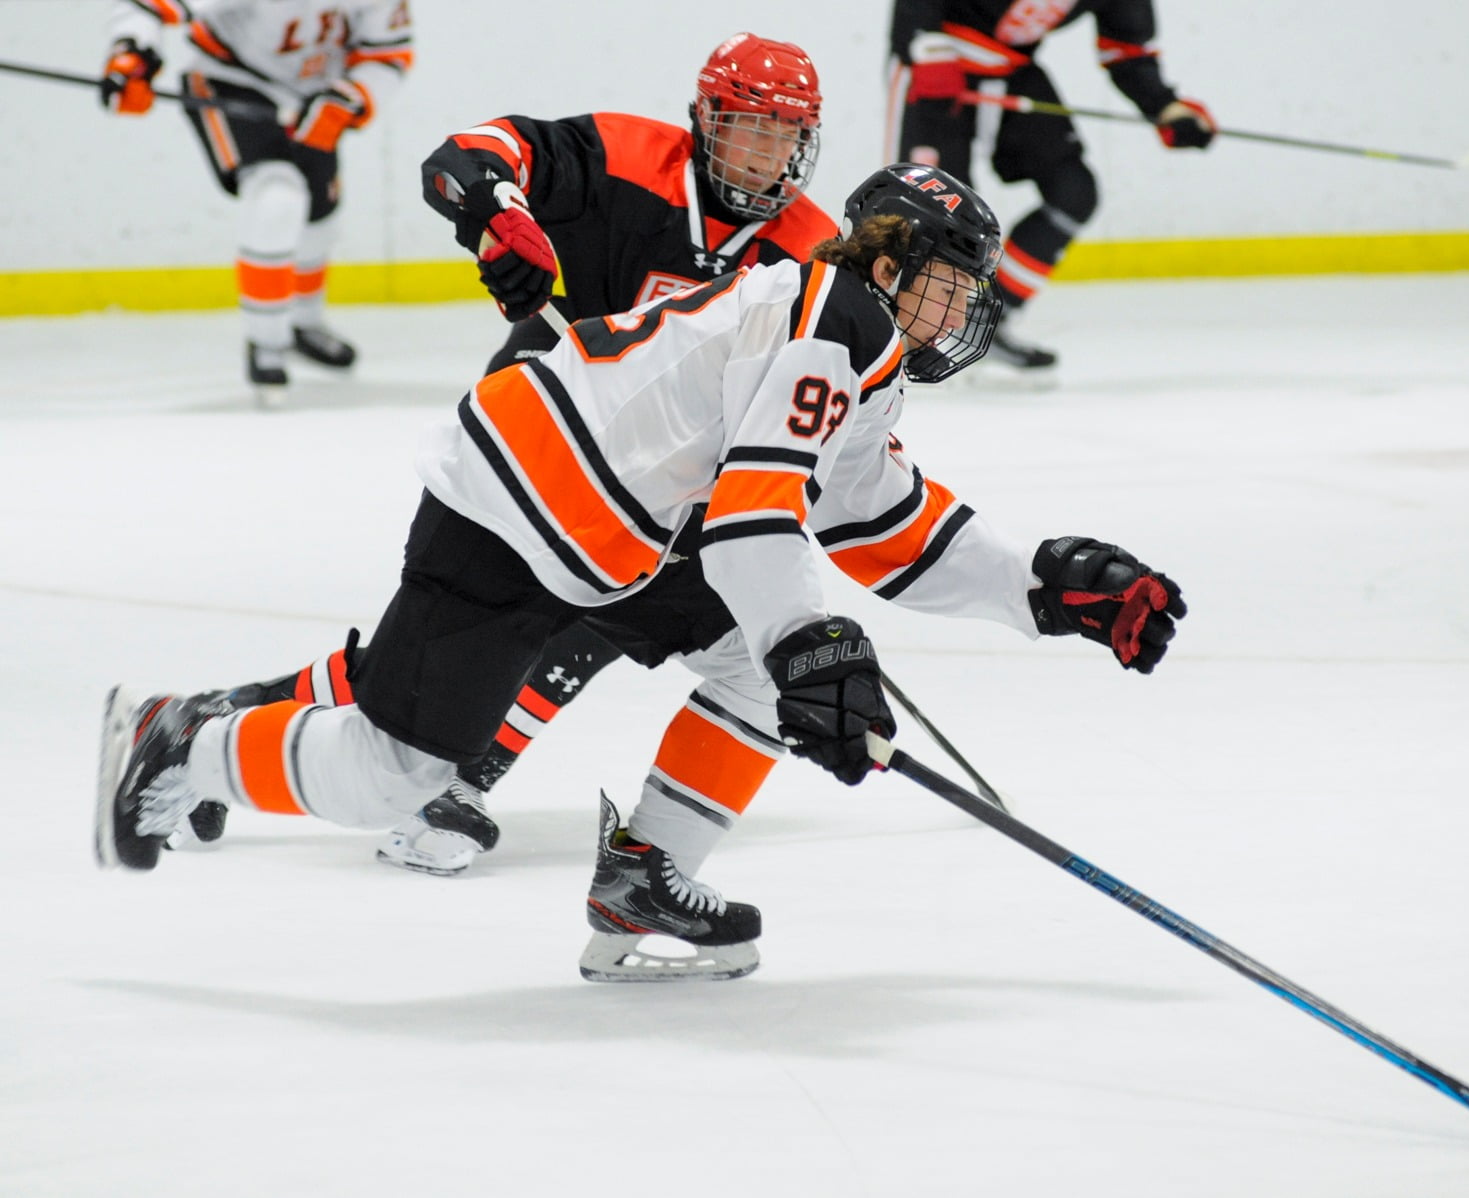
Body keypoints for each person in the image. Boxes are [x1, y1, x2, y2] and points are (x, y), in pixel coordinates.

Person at [95, 162, 1187, 985]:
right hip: (520, 499)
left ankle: (639, 882)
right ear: (893, 268)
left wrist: (1046, 590)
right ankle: (181, 742)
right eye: (954, 286)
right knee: (397, 774)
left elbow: (884, 524)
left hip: (616, 529)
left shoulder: (864, 353)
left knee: (760, 671)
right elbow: (757, 515)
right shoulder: (833, 316)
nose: (967, 312)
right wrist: (817, 648)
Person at [182, 33, 838, 877]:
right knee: (572, 598)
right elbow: (469, 157)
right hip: (537, 434)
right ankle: (464, 777)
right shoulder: (629, 155)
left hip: (657, 477)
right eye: (751, 128)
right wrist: (500, 218)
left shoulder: (809, 250)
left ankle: (223, 719)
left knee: (445, 653)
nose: (768, 153)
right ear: (706, 118)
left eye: (787, 134)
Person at [100, 0, 414, 399]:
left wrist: (350, 97)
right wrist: (132, 55)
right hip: (230, 81)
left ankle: (304, 322)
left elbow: (387, 53)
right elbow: (145, 8)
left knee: (320, 214)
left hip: (313, 96)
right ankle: (267, 342)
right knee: (276, 198)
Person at [886, 0, 1214, 371]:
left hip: (1010, 66)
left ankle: (982, 324)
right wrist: (924, 42)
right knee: (928, 210)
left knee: (1073, 193)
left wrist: (1165, 106)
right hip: (936, 58)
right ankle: (884, 331)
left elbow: (1126, 49)